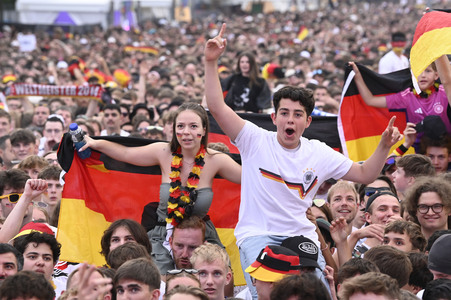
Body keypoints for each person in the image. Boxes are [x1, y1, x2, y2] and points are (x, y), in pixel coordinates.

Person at [204, 24, 402, 297]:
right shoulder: (253, 139)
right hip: (257, 235)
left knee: (318, 293)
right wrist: (211, 61)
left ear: (307, 121)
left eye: (297, 114)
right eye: (284, 113)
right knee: (266, 294)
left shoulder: (318, 152)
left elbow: (366, 173)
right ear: (274, 118)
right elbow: (216, 106)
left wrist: (383, 146)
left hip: (301, 236)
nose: (290, 119)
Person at [82, 102, 241, 250]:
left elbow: (251, 178)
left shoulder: (216, 159)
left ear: (204, 130)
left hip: (202, 241)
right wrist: (95, 143)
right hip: (162, 239)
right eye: (180, 126)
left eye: (193, 126)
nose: (186, 132)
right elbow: (125, 153)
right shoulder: (163, 152)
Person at [350, 55, 451, 136]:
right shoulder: (406, 97)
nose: (423, 75)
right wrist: (358, 76)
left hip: (445, 150)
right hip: (419, 153)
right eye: (418, 71)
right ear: (413, 75)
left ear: (436, 75)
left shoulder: (445, 92)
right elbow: (370, 100)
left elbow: (448, 80)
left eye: (428, 71)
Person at [404, 176, 451, 241]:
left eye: (437, 206)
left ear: (449, 209)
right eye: (423, 207)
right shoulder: (408, 245)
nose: (430, 213)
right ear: (415, 211)